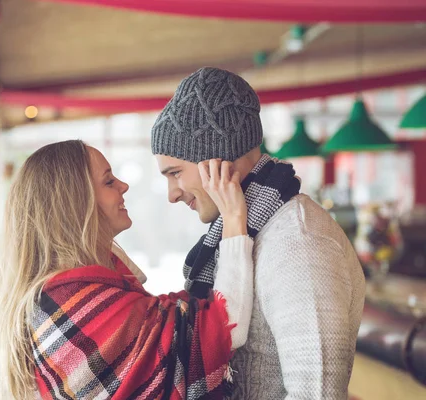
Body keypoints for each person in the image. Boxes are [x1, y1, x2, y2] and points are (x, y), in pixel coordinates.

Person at [151, 67, 366, 399]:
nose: (172, 194)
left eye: (175, 173)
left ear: (214, 160)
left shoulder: (297, 239)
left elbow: (317, 393)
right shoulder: (242, 234)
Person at [0, 140, 255, 400]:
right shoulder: (76, 306)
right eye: (108, 181)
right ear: (77, 203)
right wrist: (233, 217)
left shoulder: (65, 292)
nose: (124, 186)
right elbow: (225, 326)